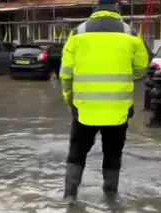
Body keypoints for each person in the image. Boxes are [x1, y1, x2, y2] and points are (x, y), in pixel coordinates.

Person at [59, 0, 149, 202]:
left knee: (77, 152)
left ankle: (70, 198)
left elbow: (65, 74)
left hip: (84, 108)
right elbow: (142, 68)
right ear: (117, 6)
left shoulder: (78, 33)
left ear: (96, 8)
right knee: (113, 154)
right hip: (118, 109)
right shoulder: (130, 34)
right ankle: (111, 199)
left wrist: (69, 101)